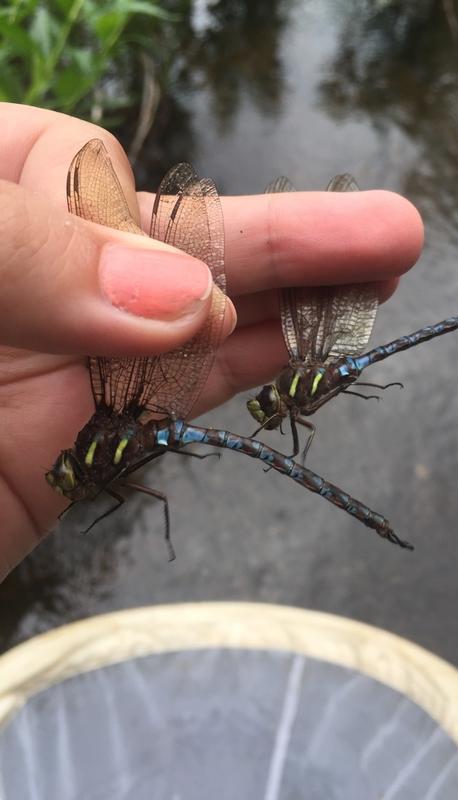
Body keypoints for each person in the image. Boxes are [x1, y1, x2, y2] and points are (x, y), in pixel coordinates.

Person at [0, 103, 424, 580]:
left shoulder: (104, 446)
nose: (63, 477)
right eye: (66, 475)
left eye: (67, 473)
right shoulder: (109, 432)